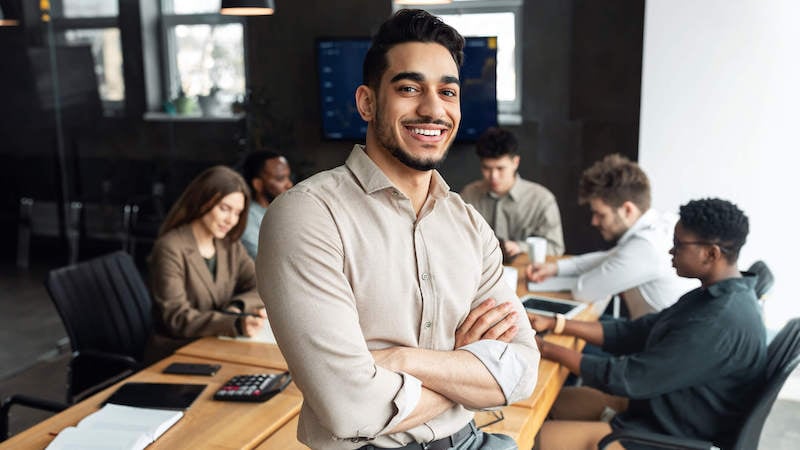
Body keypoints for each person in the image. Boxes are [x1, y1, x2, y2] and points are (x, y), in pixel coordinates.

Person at [257, 9, 539, 450]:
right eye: (409, 88)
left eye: (447, 91)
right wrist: (465, 374)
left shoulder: (470, 225)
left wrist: (402, 360)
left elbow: (521, 371)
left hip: (469, 441)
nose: (432, 109)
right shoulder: (307, 217)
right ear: (367, 102)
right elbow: (351, 407)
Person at [531, 198, 766, 450]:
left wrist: (546, 349)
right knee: (540, 404)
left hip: (666, 435)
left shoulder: (719, 321)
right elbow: (638, 332)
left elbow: (627, 377)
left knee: (529, 440)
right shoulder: (714, 295)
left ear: (711, 253)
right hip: (657, 407)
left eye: (678, 245)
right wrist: (557, 324)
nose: (670, 251)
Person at [526, 154, 695, 318]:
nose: (594, 221)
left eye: (601, 214)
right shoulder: (660, 224)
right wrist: (556, 268)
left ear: (627, 210)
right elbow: (611, 257)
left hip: (654, 343)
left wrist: (561, 277)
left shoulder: (646, 247)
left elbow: (583, 291)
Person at [145, 165, 267, 363]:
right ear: (203, 201)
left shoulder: (229, 245)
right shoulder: (170, 247)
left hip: (219, 345)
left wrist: (237, 307)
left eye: (237, 213)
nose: (231, 220)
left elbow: (262, 284)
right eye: (224, 209)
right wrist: (234, 323)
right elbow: (177, 318)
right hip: (176, 353)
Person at [461, 127, 565, 258]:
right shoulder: (469, 195)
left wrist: (519, 247)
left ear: (515, 162)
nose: (493, 176)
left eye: (500, 168)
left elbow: (555, 247)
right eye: (487, 168)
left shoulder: (542, 199)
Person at [240, 151, 294, 258]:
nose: (289, 184)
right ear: (258, 184)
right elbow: (264, 258)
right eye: (280, 179)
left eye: (289, 177)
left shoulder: (285, 211)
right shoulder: (248, 218)